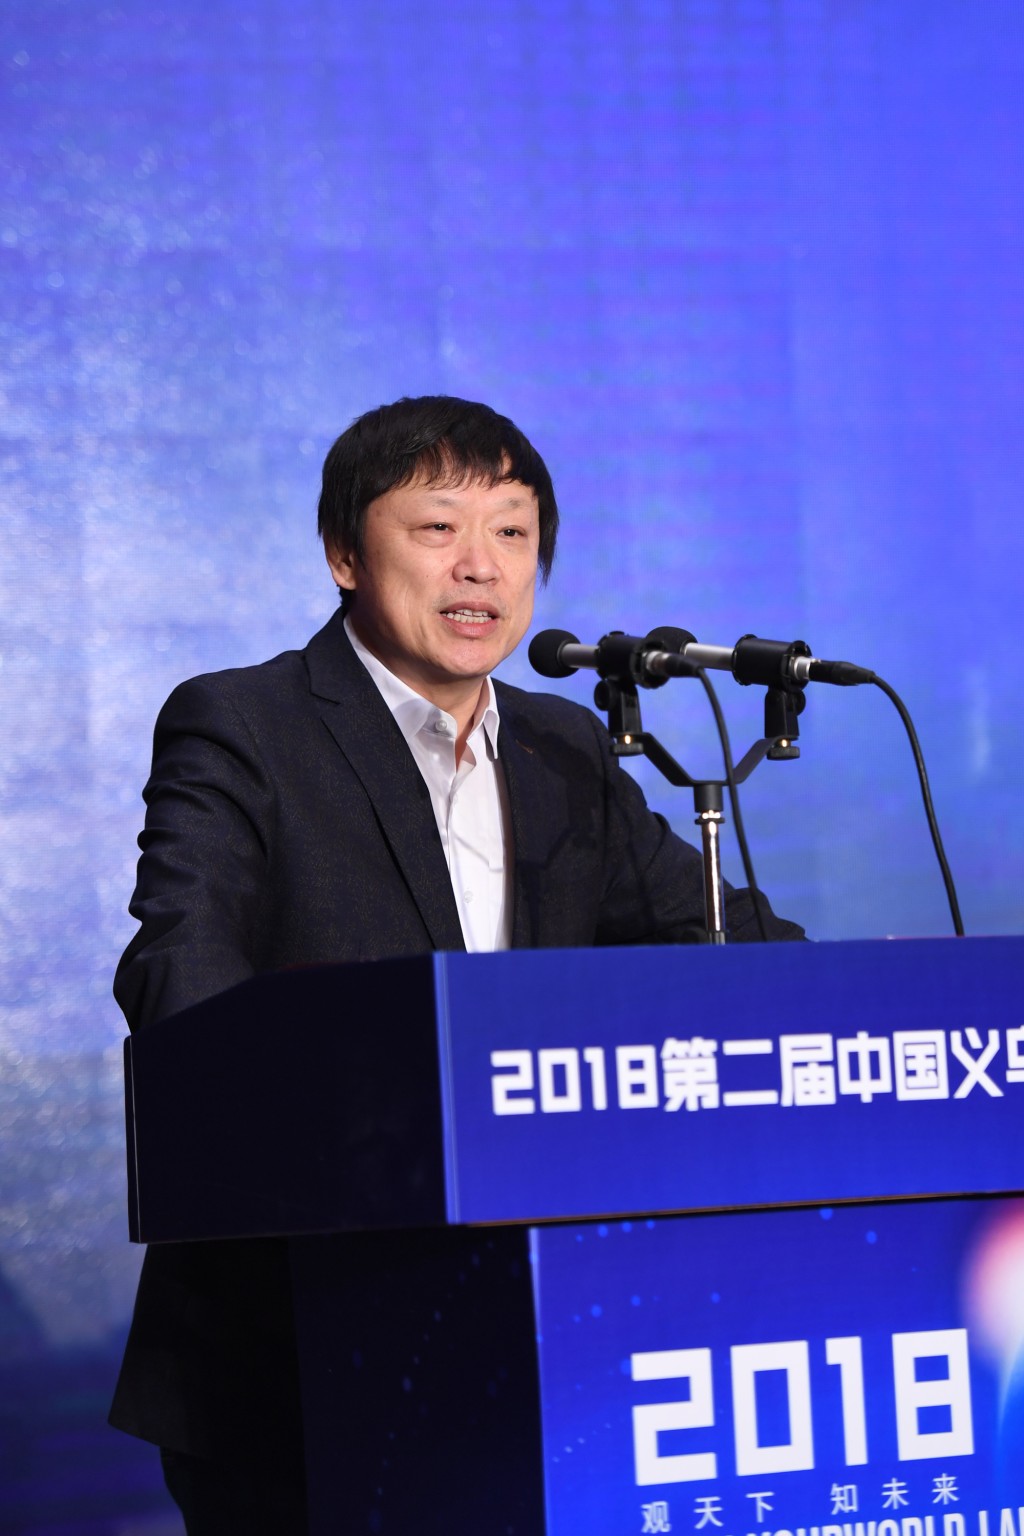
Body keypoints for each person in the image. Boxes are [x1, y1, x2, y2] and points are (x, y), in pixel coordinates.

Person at [110, 395, 804, 1532]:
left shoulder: (565, 747)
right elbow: (180, 972)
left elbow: (723, 942)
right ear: (344, 554)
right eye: (438, 528)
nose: (480, 565)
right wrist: (361, 1117)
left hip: (541, 1335)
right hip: (299, 1339)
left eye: (512, 533)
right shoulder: (244, 724)